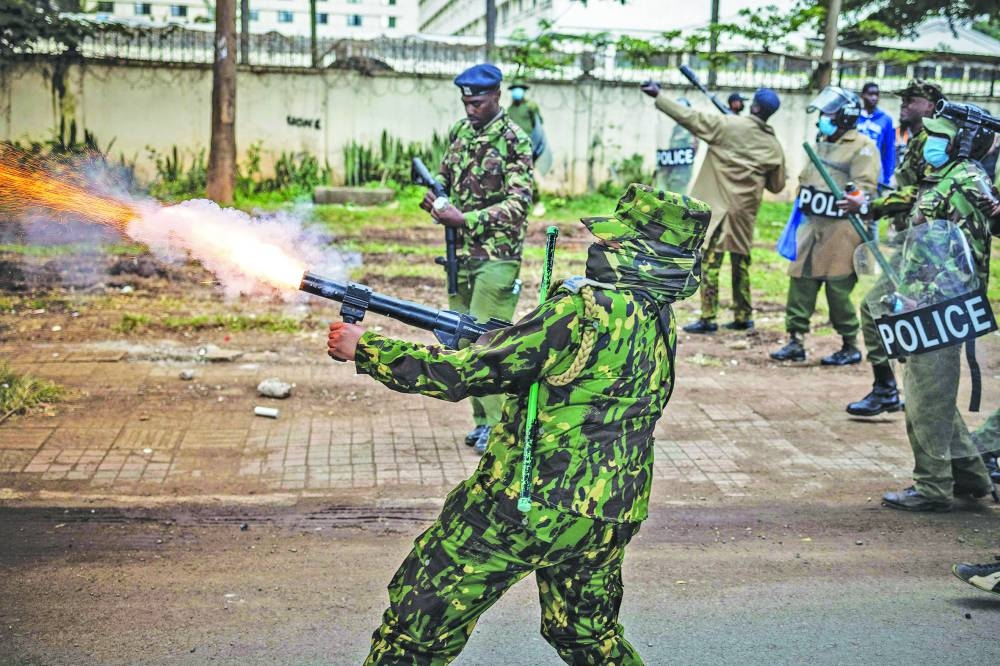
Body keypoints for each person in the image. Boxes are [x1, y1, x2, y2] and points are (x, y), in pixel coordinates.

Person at [328, 184, 711, 665]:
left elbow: (461, 373)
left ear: (643, 251)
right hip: (611, 510)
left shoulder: (579, 311)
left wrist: (366, 348)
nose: (601, 247)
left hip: (531, 504)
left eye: (614, 241)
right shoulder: (657, 316)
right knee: (588, 637)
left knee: (417, 625)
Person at [850, 112, 998, 511]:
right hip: (921, 301)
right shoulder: (942, 176)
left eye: (936, 136)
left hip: (941, 305)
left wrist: (921, 296)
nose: (926, 142)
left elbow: (968, 246)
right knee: (931, 393)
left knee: (924, 397)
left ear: (957, 143)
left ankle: (932, 488)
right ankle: (970, 477)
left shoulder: (967, 177)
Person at [420, 63, 533, 455]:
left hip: (497, 256)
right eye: (466, 102)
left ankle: (502, 427)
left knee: (489, 338)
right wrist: (436, 201)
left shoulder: (515, 139)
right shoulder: (459, 132)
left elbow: (519, 204)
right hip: (460, 257)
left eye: (478, 102)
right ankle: (483, 421)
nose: (470, 109)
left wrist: (465, 219)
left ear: (497, 97)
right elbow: (445, 178)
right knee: (462, 339)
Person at [642, 82, 786, 332]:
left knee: (710, 262)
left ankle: (708, 317)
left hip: (718, 208)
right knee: (741, 263)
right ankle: (743, 315)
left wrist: (660, 96)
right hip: (744, 213)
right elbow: (777, 185)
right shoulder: (774, 146)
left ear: (754, 106)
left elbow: (689, 117)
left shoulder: (727, 126)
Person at [841, 79, 944, 416]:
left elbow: (922, 192)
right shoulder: (913, 138)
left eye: (912, 99)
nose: (904, 104)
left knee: (884, 310)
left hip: (927, 248)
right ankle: (889, 388)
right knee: (879, 309)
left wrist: (871, 206)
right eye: (903, 99)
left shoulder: (934, 141)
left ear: (930, 106)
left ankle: (908, 394)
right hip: (910, 244)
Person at [770, 86, 879, 364]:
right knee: (800, 281)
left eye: (828, 114)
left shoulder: (863, 146)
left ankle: (849, 344)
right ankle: (795, 340)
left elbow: (865, 188)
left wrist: (856, 197)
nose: (822, 119)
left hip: (841, 231)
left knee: (837, 289)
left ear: (845, 117)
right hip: (810, 226)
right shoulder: (822, 141)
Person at [506, 78, 547, 216]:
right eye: (514, 90)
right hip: (513, 147)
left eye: (520, 89)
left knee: (529, 174)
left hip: (529, 147)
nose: (517, 92)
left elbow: (538, 126)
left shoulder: (531, 107)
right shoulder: (510, 110)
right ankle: (517, 204)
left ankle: (537, 203)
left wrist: (537, 146)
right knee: (514, 175)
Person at [653, 97, 700, 195]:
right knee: (663, 195)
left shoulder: (691, 128)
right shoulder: (675, 128)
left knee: (677, 199)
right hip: (669, 168)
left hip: (681, 171)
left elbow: (694, 149)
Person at [856, 82, 896, 190]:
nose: (874, 98)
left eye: (877, 95)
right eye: (870, 94)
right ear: (862, 95)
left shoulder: (886, 120)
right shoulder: (855, 116)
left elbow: (888, 149)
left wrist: (887, 177)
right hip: (855, 165)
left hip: (875, 169)